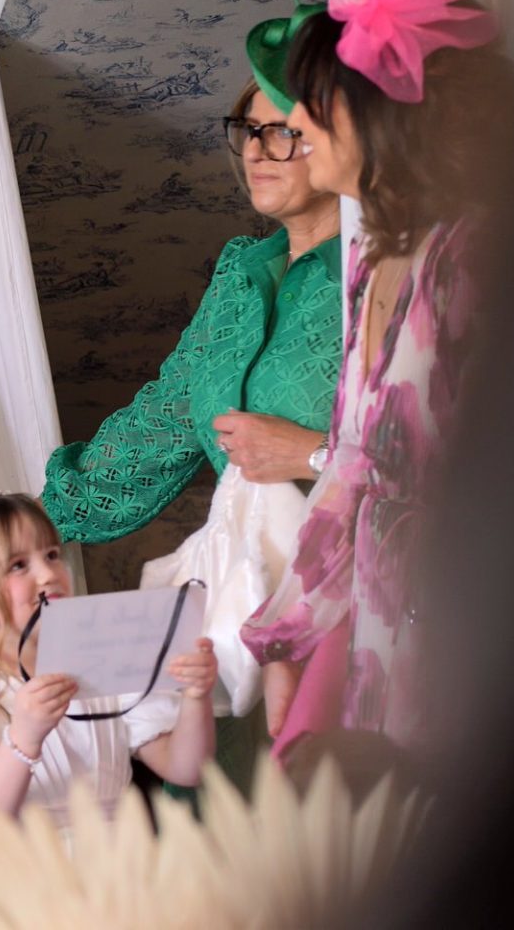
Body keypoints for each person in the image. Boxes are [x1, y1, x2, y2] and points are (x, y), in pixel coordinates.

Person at [240, 0, 505, 760]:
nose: (295, 124)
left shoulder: (473, 259)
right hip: (388, 624)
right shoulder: (372, 255)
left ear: (376, 109)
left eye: (312, 102)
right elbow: (356, 465)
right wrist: (281, 637)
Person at [42, 72, 341, 786]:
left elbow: (453, 452)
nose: (258, 152)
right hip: (233, 609)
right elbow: (165, 418)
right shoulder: (243, 271)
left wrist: (307, 455)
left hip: (349, 610)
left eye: (284, 131)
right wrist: (32, 523)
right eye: (248, 130)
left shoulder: (383, 272)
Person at [0, 491, 217, 843]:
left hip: (123, 870)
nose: (48, 573)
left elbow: (185, 769)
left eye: (51, 555)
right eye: (18, 565)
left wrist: (195, 697)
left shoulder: (105, 667)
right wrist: (23, 739)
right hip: (33, 882)